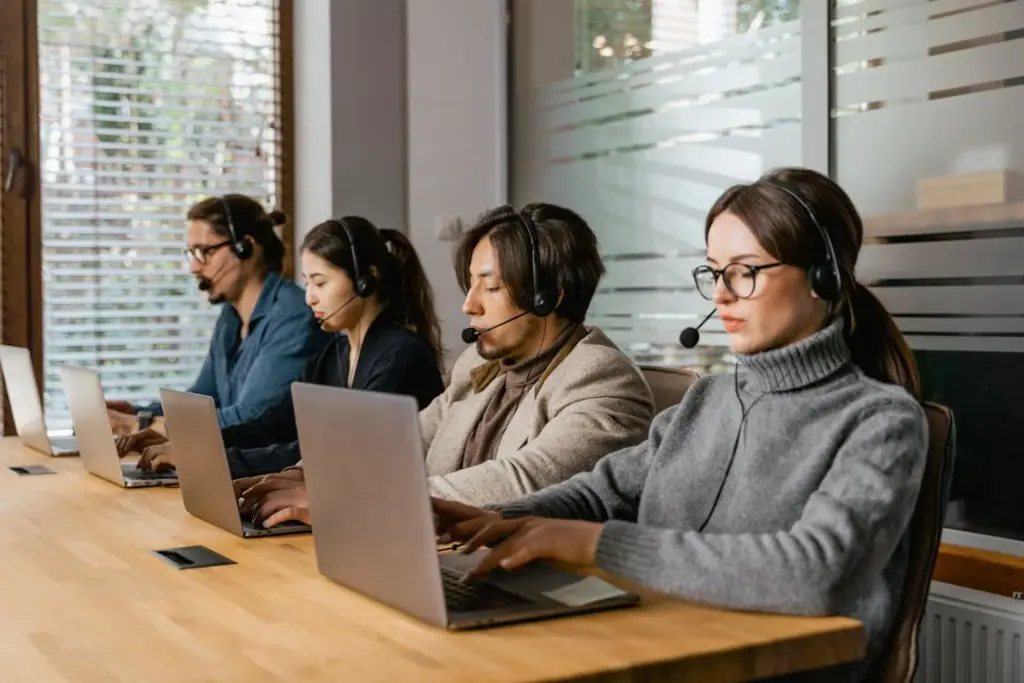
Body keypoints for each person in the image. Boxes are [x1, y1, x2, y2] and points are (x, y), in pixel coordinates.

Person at [431, 168, 929, 683]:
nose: (720, 295)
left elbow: (817, 572)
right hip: (659, 648)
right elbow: (600, 492)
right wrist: (495, 517)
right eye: (714, 272)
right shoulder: (708, 399)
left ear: (822, 278)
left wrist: (594, 543)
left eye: (744, 271)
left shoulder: (881, 420)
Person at [236, 202, 656, 528]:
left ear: (550, 296)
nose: (468, 304)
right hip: (440, 554)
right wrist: (308, 476)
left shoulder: (601, 377)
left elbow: (526, 481)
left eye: (489, 287)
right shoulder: (484, 365)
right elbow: (406, 439)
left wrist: (346, 500)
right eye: (470, 284)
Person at [122, 216, 446, 476]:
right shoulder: (335, 352)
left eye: (320, 283)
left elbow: (333, 451)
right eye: (307, 284)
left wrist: (211, 458)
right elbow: (275, 423)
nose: (310, 297)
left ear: (366, 279)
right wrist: (194, 441)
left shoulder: (399, 355)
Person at [107, 194, 328, 440]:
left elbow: (250, 417)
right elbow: (203, 398)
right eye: (191, 253)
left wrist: (138, 426)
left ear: (246, 248)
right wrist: (139, 413)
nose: (194, 267)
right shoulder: (230, 317)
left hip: (264, 472)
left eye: (205, 252)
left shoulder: (293, 316)